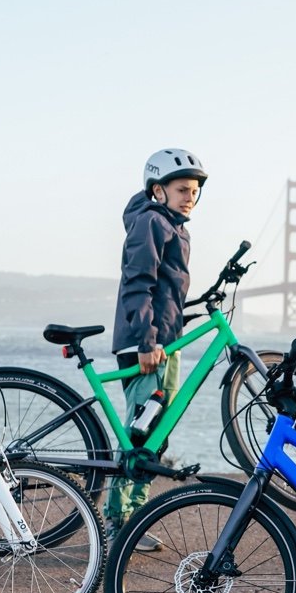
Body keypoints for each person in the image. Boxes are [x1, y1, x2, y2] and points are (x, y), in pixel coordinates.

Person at [108, 148, 207, 542]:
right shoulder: (151, 222)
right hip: (146, 345)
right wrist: (148, 341)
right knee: (139, 432)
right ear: (157, 189)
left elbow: (166, 293)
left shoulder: (174, 226)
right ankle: (117, 523)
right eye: (182, 189)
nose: (190, 197)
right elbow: (138, 285)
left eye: (195, 191)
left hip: (165, 343)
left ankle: (136, 519)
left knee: (156, 434)